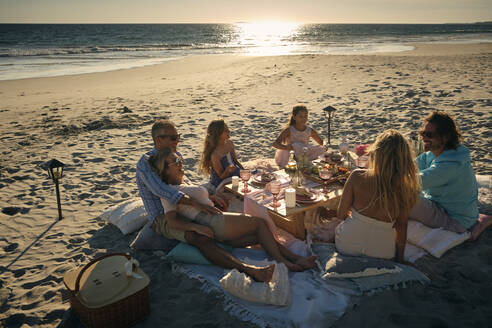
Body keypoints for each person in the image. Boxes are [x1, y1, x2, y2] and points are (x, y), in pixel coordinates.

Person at [149, 147, 317, 282]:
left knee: (259, 235)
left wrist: (211, 197)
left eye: (179, 158)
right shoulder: (168, 192)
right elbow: (171, 221)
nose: (181, 162)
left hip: (216, 224)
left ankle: (295, 258)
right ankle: (283, 262)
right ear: (165, 170)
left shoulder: (183, 181)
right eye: (175, 161)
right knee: (259, 223)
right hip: (213, 222)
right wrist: (196, 227)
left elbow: (194, 199)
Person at [335, 130, 420, 263]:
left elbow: (340, 215)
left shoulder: (357, 176)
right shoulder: (407, 189)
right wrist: (399, 260)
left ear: (376, 153)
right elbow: (401, 228)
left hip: (346, 246)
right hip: (382, 252)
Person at [409, 111, 491, 240]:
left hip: (454, 221)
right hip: (444, 206)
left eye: (429, 134)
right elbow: (409, 166)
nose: (424, 138)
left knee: (402, 199)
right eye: (422, 133)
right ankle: (479, 219)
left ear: (445, 137)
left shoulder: (451, 164)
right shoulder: (434, 153)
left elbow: (416, 180)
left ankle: (476, 225)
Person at [136, 119, 226, 232]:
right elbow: (162, 190)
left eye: (178, 136)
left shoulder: (176, 155)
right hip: (163, 216)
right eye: (173, 138)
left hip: (183, 209)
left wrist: (206, 197)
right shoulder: (146, 162)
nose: (177, 141)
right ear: (158, 139)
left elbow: (184, 182)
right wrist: (196, 203)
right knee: (201, 234)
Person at [200, 120, 244, 189]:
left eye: (228, 129)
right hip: (222, 180)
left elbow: (235, 161)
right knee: (236, 188)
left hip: (234, 174)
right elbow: (221, 176)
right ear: (218, 134)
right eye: (226, 131)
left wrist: (243, 170)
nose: (229, 131)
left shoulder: (230, 143)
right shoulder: (215, 154)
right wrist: (227, 170)